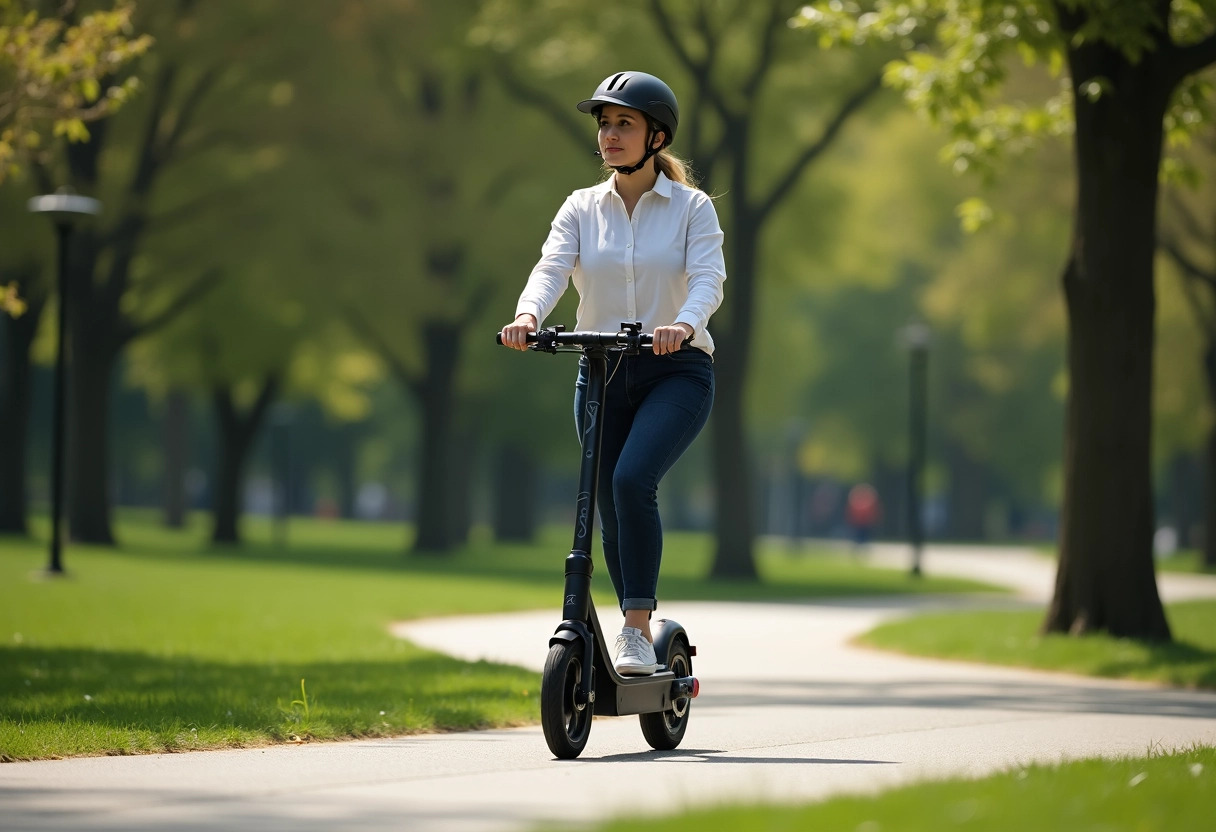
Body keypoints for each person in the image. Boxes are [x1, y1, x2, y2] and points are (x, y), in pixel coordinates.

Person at [501, 71, 725, 676]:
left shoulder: (691, 208)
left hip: (674, 370)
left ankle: (634, 626)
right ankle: (618, 625)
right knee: (603, 495)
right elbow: (551, 268)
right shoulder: (581, 207)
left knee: (631, 482)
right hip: (602, 372)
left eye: (623, 123)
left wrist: (682, 321)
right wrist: (527, 314)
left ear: (656, 135)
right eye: (604, 123)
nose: (609, 134)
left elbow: (708, 279)